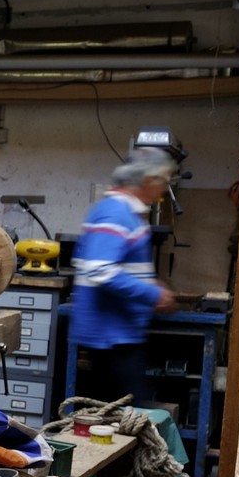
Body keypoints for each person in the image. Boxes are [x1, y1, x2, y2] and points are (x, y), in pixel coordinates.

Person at [71, 146, 180, 406]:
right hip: (111, 336)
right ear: (147, 180)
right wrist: (153, 294)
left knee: (119, 415)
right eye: (164, 181)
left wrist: (148, 283)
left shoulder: (127, 213)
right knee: (125, 414)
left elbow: (116, 266)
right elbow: (100, 269)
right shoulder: (115, 213)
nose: (165, 188)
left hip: (119, 333)